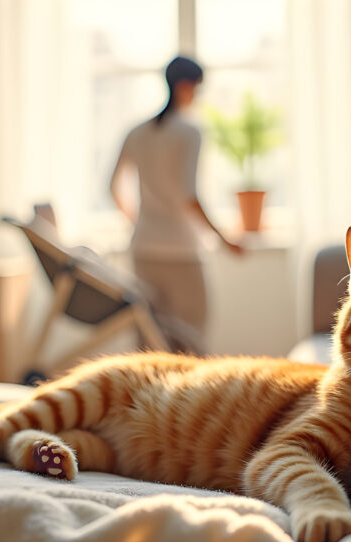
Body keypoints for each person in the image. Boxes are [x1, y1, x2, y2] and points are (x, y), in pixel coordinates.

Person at [110, 56, 243, 354]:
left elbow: (112, 187)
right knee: (192, 340)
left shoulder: (138, 131)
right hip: (182, 251)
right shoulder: (189, 132)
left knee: (149, 341)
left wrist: (137, 221)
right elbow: (188, 197)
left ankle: (145, 400)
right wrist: (224, 239)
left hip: (144, 247)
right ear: (185, 86)